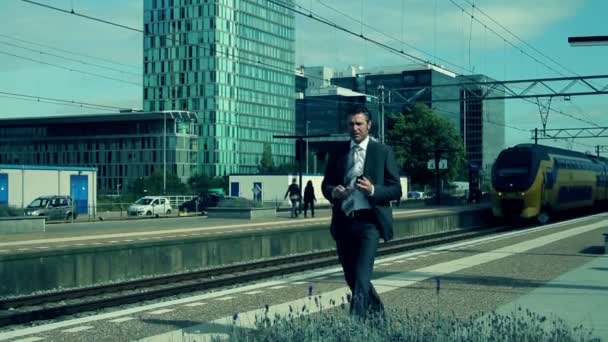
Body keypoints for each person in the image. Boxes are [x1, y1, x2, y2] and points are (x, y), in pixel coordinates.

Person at [322, 105, 402, 318]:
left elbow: (396, 189)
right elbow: (326, 185)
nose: (354, 128)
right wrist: (334, 192)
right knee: (352, 278)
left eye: (359, 123)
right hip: (344, 222)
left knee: (360, 277)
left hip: (370, 223)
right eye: (351, 124)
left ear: (369, 125)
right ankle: (379, 319)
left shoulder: (383, 152)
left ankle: (355, 327)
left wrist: (373, 190)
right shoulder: (338, 152)